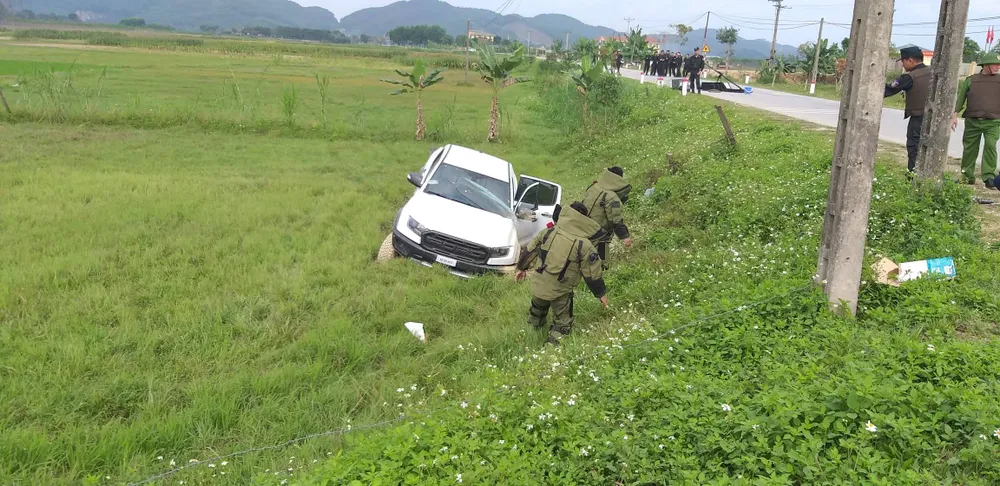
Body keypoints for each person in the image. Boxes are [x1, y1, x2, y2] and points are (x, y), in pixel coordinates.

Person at [515, 202, 609, 345]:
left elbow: (530, 250)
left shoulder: (548, 232)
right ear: (584, 220)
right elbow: (591, 272)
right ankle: (551, 352)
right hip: (561, 290)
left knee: (537, 310)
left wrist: (522, 268)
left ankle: (532, 332)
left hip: (539, 284)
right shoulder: (584, 244)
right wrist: (600, 293)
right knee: (562, 323)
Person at [952, 52, 1000, 188]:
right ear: (986, 65)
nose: (998, 67)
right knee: (969, 148)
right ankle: (967, 176)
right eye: (995, 64)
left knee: (991, 146)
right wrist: (954, 116)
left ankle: (989, 177)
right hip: (972, 121)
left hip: (993, 121)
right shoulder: (971, 80)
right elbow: (960, 99)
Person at [883, 46, 930, 176]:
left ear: (910, 60)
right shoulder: (933, 72)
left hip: (918, 118)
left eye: (903, 61)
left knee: (914, 148)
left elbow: (888, 90)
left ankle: (912, 176)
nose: (903, 65)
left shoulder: (910, 77)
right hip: (934, 119)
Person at [581, 167, 633, 268]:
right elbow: (616, 220)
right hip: (599, 234)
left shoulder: (593, 187)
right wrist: (625, 236)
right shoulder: (613, 198)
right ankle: (601, 270)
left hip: (583, 226)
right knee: (601, 262)